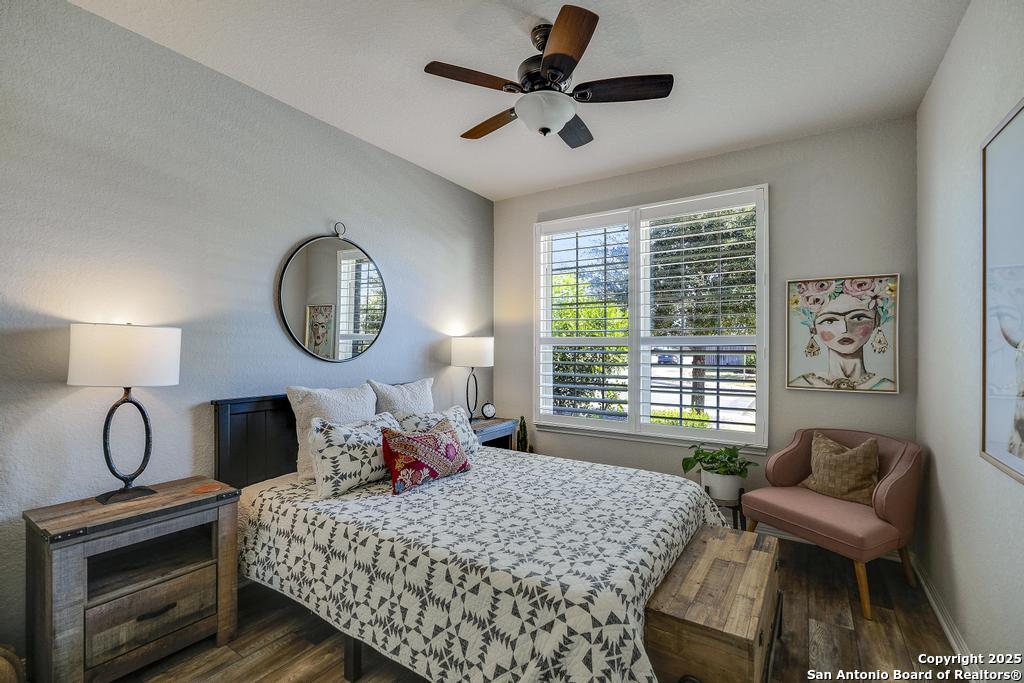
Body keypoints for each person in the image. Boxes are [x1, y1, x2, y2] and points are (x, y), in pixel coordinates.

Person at [790, 278, 896, 391]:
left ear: (877, 321)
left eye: (858, 318)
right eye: (829, 320)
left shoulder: (886, 386)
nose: (844, 329)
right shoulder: (803, 384)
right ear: (813, 327)